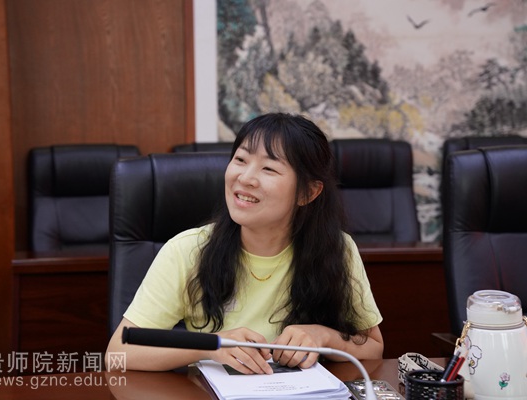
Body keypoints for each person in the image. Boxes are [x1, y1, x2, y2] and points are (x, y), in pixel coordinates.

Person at [106, 112, 383, 374]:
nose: (246, 178)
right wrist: (211, 346)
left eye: (269, 168)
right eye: (240, 159)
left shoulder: (337, 248)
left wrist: (324, 336)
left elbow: (373, 347)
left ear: (308, 193)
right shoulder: (187, 250)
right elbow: (118, 353)